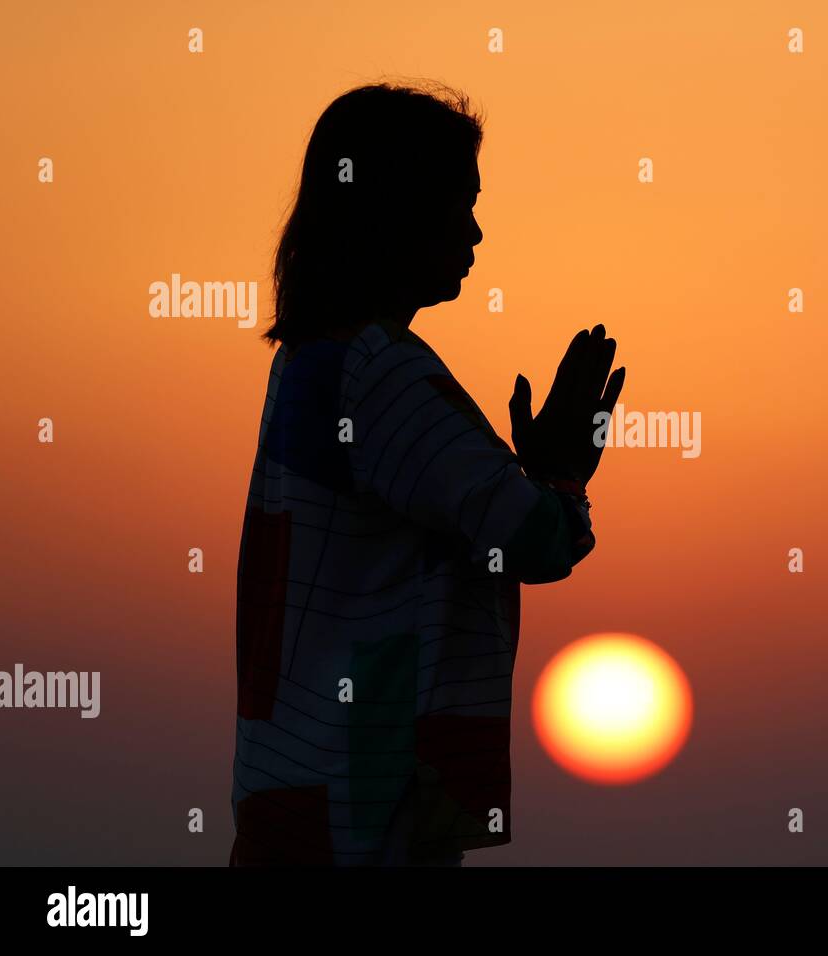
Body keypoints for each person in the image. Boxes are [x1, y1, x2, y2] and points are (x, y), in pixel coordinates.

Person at [229, 82, 625, 866]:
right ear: (396, 206)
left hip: (296, 804)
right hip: (364, 816)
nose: (477, 230)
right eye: (461, 200)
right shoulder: (381, 373)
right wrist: (561, 475)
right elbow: (536, 539)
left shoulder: (310, 363)